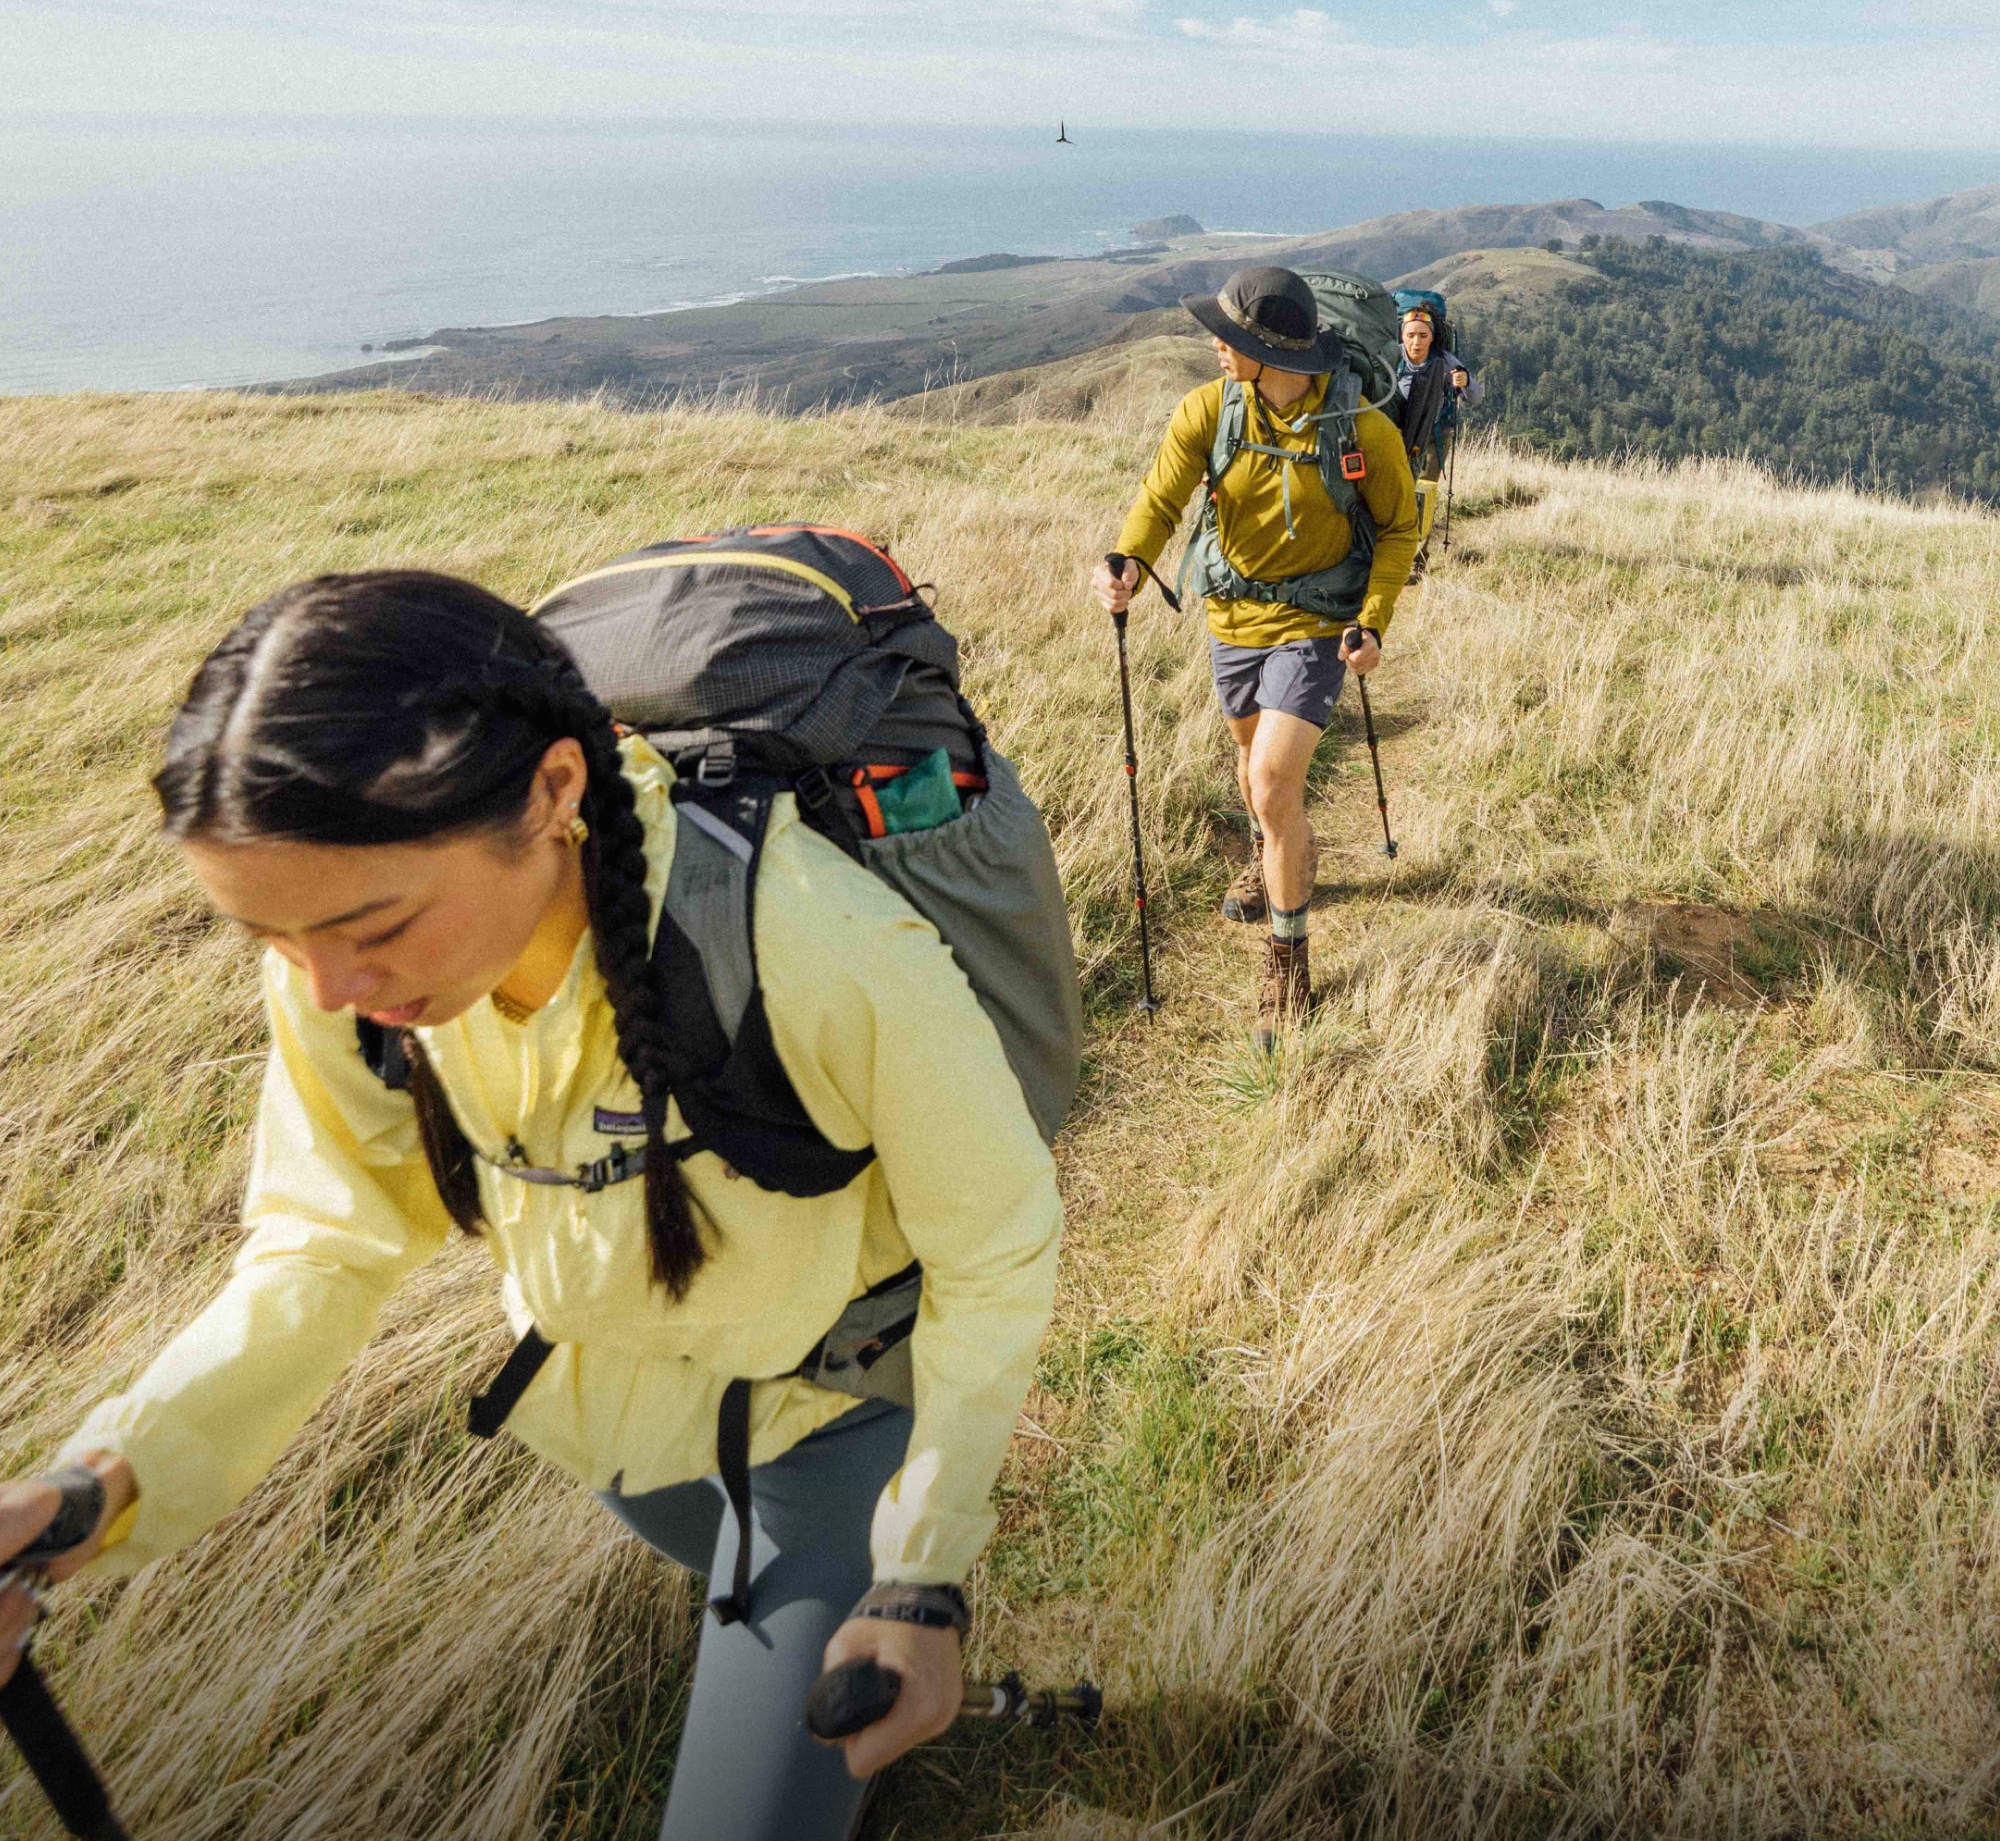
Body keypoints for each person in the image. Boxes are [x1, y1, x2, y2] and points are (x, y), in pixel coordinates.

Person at [0, 571, 1062, 1841]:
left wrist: (920, 1569)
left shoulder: (816, 945)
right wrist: (98, 1485)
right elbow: (323, 1246)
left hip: (828, 1433)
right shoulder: (348, 973)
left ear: (556, 792)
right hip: (624, 1436)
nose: (328, 988)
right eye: (270, 941)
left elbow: (995, 1249)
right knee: (775, 1655)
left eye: (371, 924)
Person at [1091, 266, 1420, 1049]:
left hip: (1316, 623)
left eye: (1231, 336)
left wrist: (1371, 623)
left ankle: (1288, 960)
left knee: (1273, 780)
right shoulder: (1208, 411)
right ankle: (1278, 849)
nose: (1215, 345)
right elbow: (1161, 499)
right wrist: (1128, 560)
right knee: (1254, 777)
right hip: (1231, 618)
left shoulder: (1360, 427)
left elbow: (1401, 530)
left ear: (1270, 354)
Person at [1393, 303, 1478, 584]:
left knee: (1423, 495)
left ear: (1432, 337)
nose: (1416, 342)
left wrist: (1464, 382)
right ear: (1401, 336)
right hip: (1396, 435)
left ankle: (1416, 562)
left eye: (1423, 335)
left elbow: (1476, 397)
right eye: (1411, 335)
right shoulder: (1389, 361)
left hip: (1434, 435)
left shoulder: (1446, 361)